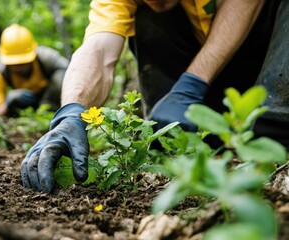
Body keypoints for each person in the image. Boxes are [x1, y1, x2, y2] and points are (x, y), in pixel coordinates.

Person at [21, 0, 288, 193]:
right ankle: (183, 135)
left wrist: (191, 85)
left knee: (270, 139)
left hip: (267, 47)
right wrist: (71, 111)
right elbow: (98, 51)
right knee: (149, 17)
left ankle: (276, 132)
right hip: (210, 78)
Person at [0, 24, 69, 117]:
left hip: (52, 99)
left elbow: (73, 74)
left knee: (62, 75)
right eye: (14, 64)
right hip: (23, 107)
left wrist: (48, 101)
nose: (19, 67)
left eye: (24, 62)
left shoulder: (47, 57)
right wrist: (8, 101)